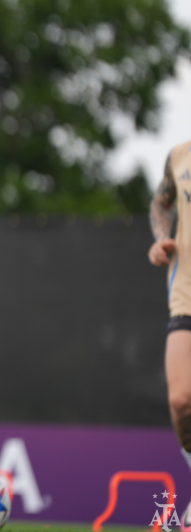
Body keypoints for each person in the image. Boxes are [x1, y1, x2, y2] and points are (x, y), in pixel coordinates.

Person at [147, 140, 191, 525]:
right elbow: (161, 203)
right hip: (186, 295)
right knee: (181, 400)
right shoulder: (180, 155)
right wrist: (161, 237)